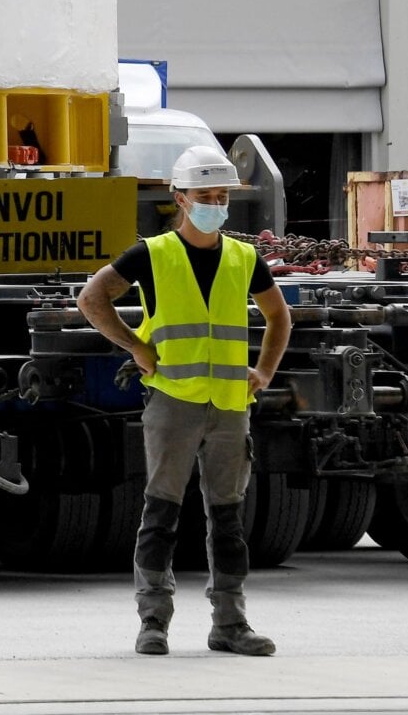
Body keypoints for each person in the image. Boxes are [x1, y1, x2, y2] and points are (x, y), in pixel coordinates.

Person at [77, 143, 292, 657]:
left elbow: (278, 316)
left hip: (229, 406)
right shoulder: (152, 254)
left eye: (222, 196)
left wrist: (264, 371)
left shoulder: (244, 258)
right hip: (173, 400)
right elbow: (92, 298)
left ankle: (230, 624)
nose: (215, 204)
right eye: (205, 196)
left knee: (229, 519)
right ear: (180, 198)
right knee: (161, 514)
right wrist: (135, 346)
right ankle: (153, 622)